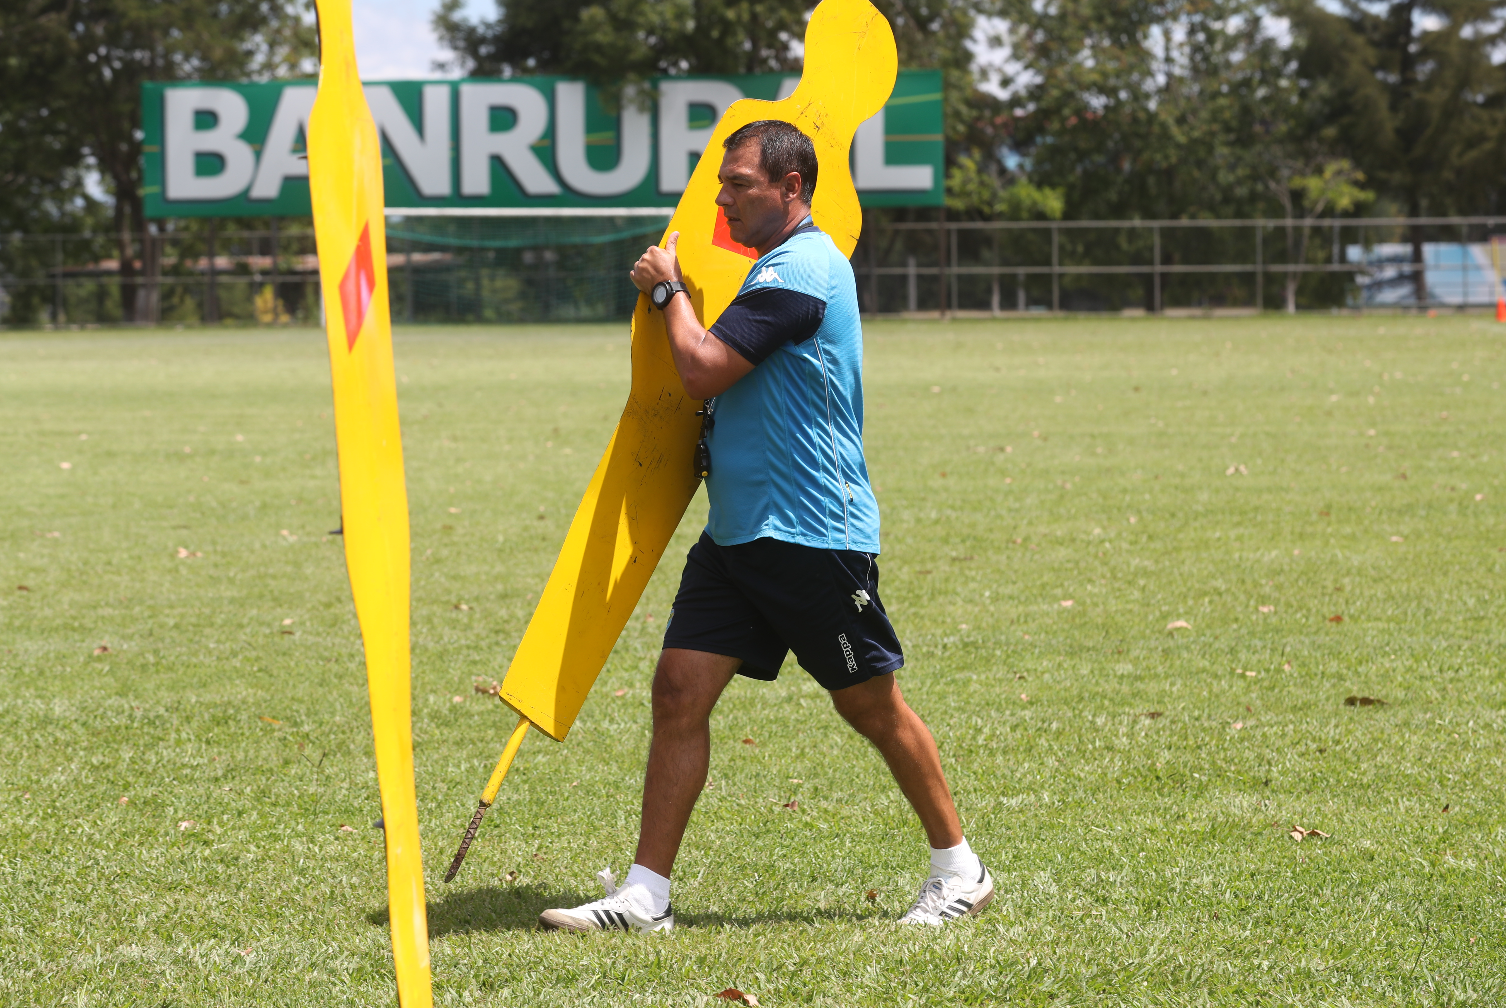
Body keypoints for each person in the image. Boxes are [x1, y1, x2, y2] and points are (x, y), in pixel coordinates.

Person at [539, 120, 990, 933]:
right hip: (741, 533)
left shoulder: (805, 267)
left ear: (791, 188)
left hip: (814, 534)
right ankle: (647, 895)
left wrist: (667, 290)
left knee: (871, 707)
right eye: (722, 181)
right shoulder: (768, 269)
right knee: (678, 690)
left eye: (740, 183)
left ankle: (961, 870)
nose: (722, 197)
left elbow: (705, 367)